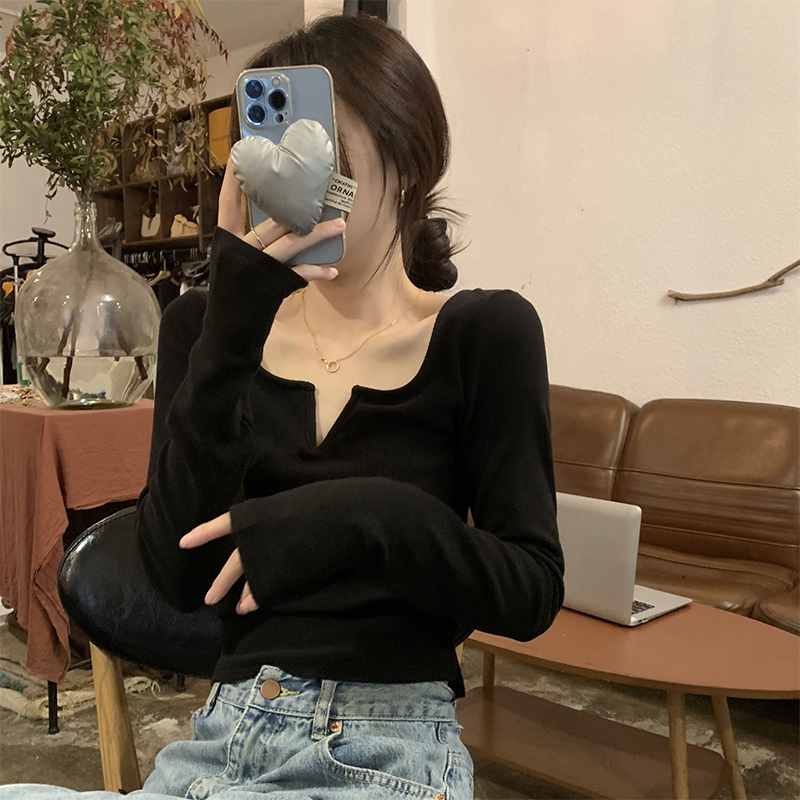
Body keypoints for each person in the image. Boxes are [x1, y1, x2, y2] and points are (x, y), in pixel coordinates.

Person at [0, 12, 564, 800]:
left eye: (327, 153)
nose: (296, 184)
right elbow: (174, 572)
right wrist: (231, 328)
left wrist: (359, 517)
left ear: (406, 160)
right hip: (224, 739)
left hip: (390, 746)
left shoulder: (484, 334)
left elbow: (530, 589)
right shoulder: (206, 327)